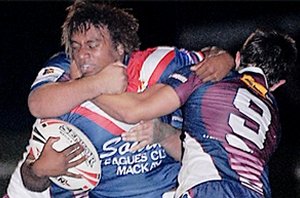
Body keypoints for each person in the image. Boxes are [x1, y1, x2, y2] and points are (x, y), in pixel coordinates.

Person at [5, 1, 234, 198]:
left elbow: (213, 61)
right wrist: (39, 171)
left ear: (120, 46)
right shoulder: (66, 76)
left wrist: (225, 58)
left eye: (93, 45)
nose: (82, 54)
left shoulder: (158, 64)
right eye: (75, 47)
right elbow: (37, 104)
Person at [94, 29, 298, 198]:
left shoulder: (209, 74)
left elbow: (134, 110)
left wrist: (85, 88)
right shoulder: (274, 120)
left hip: (210, 189)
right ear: (279, 84)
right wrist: (165, 134)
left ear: (238, 58)